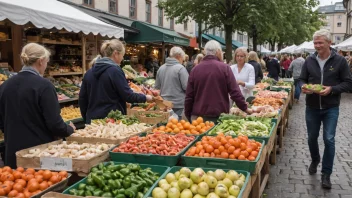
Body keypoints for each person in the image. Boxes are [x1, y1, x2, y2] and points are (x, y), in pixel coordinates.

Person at [0, 43, 75, 168]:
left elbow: (1, 121)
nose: (46, 66)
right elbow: (55, 124)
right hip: (39, 154)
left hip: (13, 153)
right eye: (46, 62)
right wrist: (69, 129)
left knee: (16, 185)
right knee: (42, 187)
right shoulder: (44, 86)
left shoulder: (5, 86)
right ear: (40, 61)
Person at [299, 29, 352, 189]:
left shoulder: (340, 61)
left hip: (331, 107)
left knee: (329, 139)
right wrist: (303, 87)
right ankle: (315, 159)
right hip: (312, 106)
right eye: (315, 43)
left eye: (320, 42)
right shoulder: (309, 60)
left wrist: (332, 89)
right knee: (311, 138)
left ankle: (326, 174)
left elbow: (348, 83)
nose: (317, 45)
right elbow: (301, 79)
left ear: (329, 43)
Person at [79, 39, 154, 123]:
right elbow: (127, 96)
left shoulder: (89, 72)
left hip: (93, 121)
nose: (122, 59)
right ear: (115, 54)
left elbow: (82, 99)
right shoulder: (115, 71)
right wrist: (146, 98)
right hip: (111, 120)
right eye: (122, 55)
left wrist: (86, 119)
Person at [184, 40, 251, 123]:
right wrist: (244, 107)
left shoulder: (195, 70)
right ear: (218, 52)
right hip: (219, 116)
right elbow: (235, 91)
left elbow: (189, 96)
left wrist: (188, 114)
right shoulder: (225, 68)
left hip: (198, 118)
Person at [155, 47, 189, 120]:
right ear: (178, 56)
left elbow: (157, 87)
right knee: (177, 128)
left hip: (164, 105)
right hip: (179, 105)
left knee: (165, 128)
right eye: (182, 59)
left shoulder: (161, 68)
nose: (182, 61)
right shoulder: (181, 68)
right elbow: (187, 87)